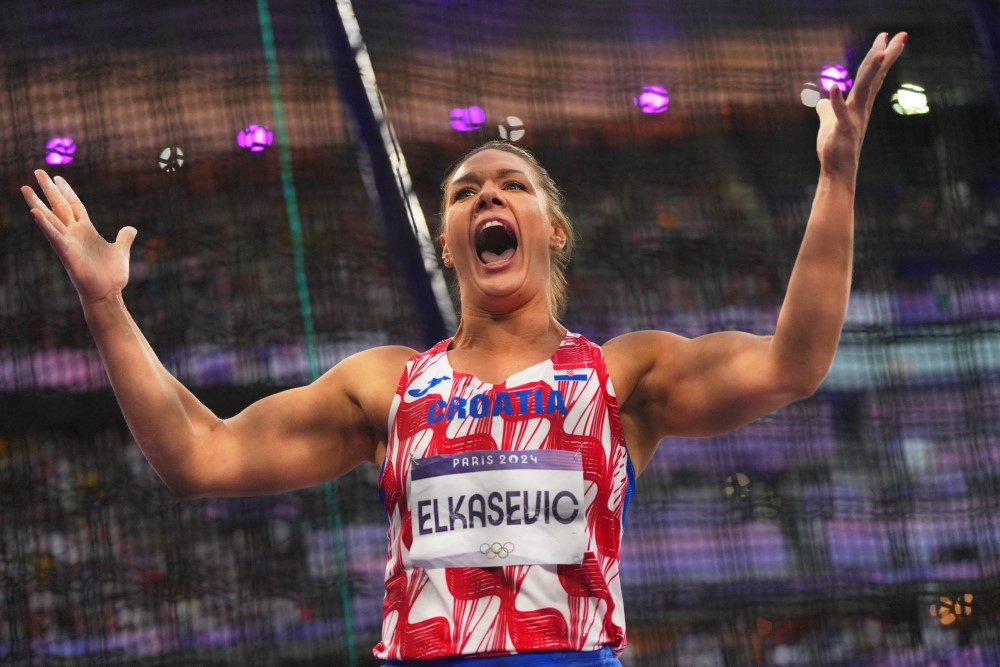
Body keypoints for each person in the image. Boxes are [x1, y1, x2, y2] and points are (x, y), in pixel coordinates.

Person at [21, 31, 906, 666]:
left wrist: (836, 179)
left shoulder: (622, 374)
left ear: (552, 228)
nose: (486, 194)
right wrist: (105, 305)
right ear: (449, 241)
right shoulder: (388, 386)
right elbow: (197, 455)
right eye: (464, 191)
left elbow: (794, 361)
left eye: (511, 183)